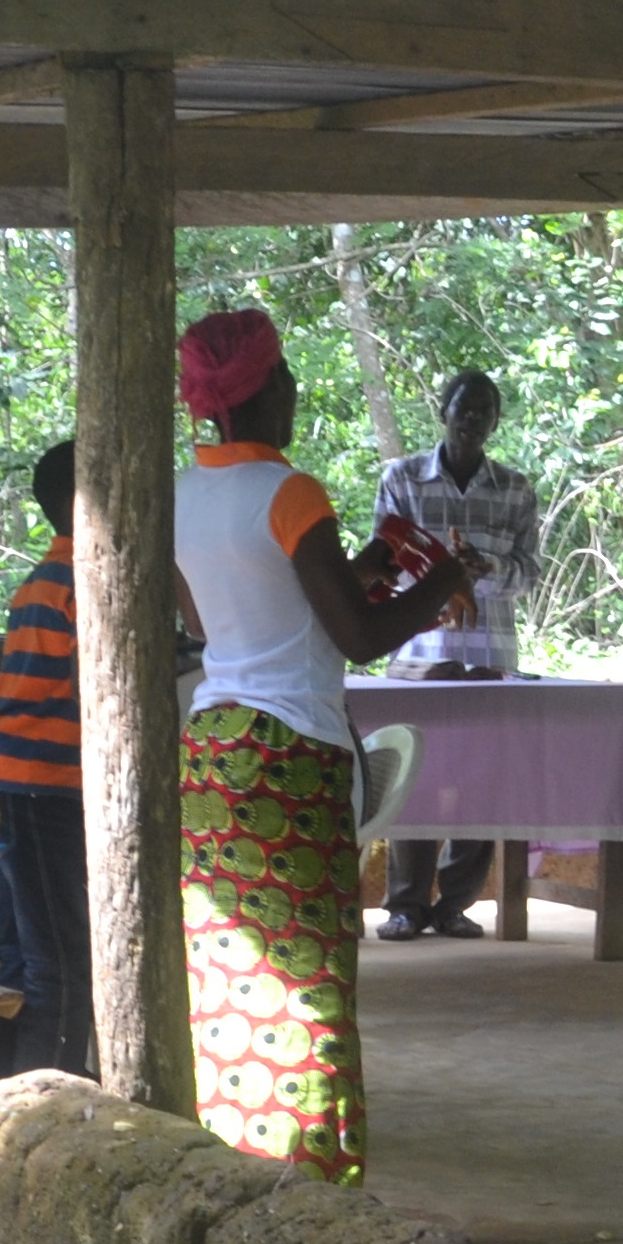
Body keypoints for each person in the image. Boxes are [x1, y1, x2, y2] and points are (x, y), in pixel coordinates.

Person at [171, 308, 478, 1180]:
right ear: (269, 387)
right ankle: (312, 1180)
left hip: (213, 751)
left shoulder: (181, 494)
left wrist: (363, 571)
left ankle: (236, 1160)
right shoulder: (291, 491)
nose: (296, 388)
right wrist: (444, 580)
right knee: (307, 976)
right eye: (287, 373)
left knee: (235, 973)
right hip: (291, 756)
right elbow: (359, 637)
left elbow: (214, 621)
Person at [374, 368, 546, 941]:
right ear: (442, 412)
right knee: (412, 777)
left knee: (478, 778)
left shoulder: (516, 490)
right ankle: (405, 906)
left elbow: (529, 574)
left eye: (483, 411)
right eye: (462, 408)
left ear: (495, 422)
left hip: (489, 655)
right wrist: (438, 573)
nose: (471, 419)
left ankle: (455, 905)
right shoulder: (402, 479)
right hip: (419, 654)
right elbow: (382, 563)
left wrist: (486, 568)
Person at [0, 440, 92, 1081]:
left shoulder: (43, 577)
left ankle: (11, 1087)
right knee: (60, 963)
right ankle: (50, 1101)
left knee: (22, 953)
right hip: (37, 783)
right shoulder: (89, 581)